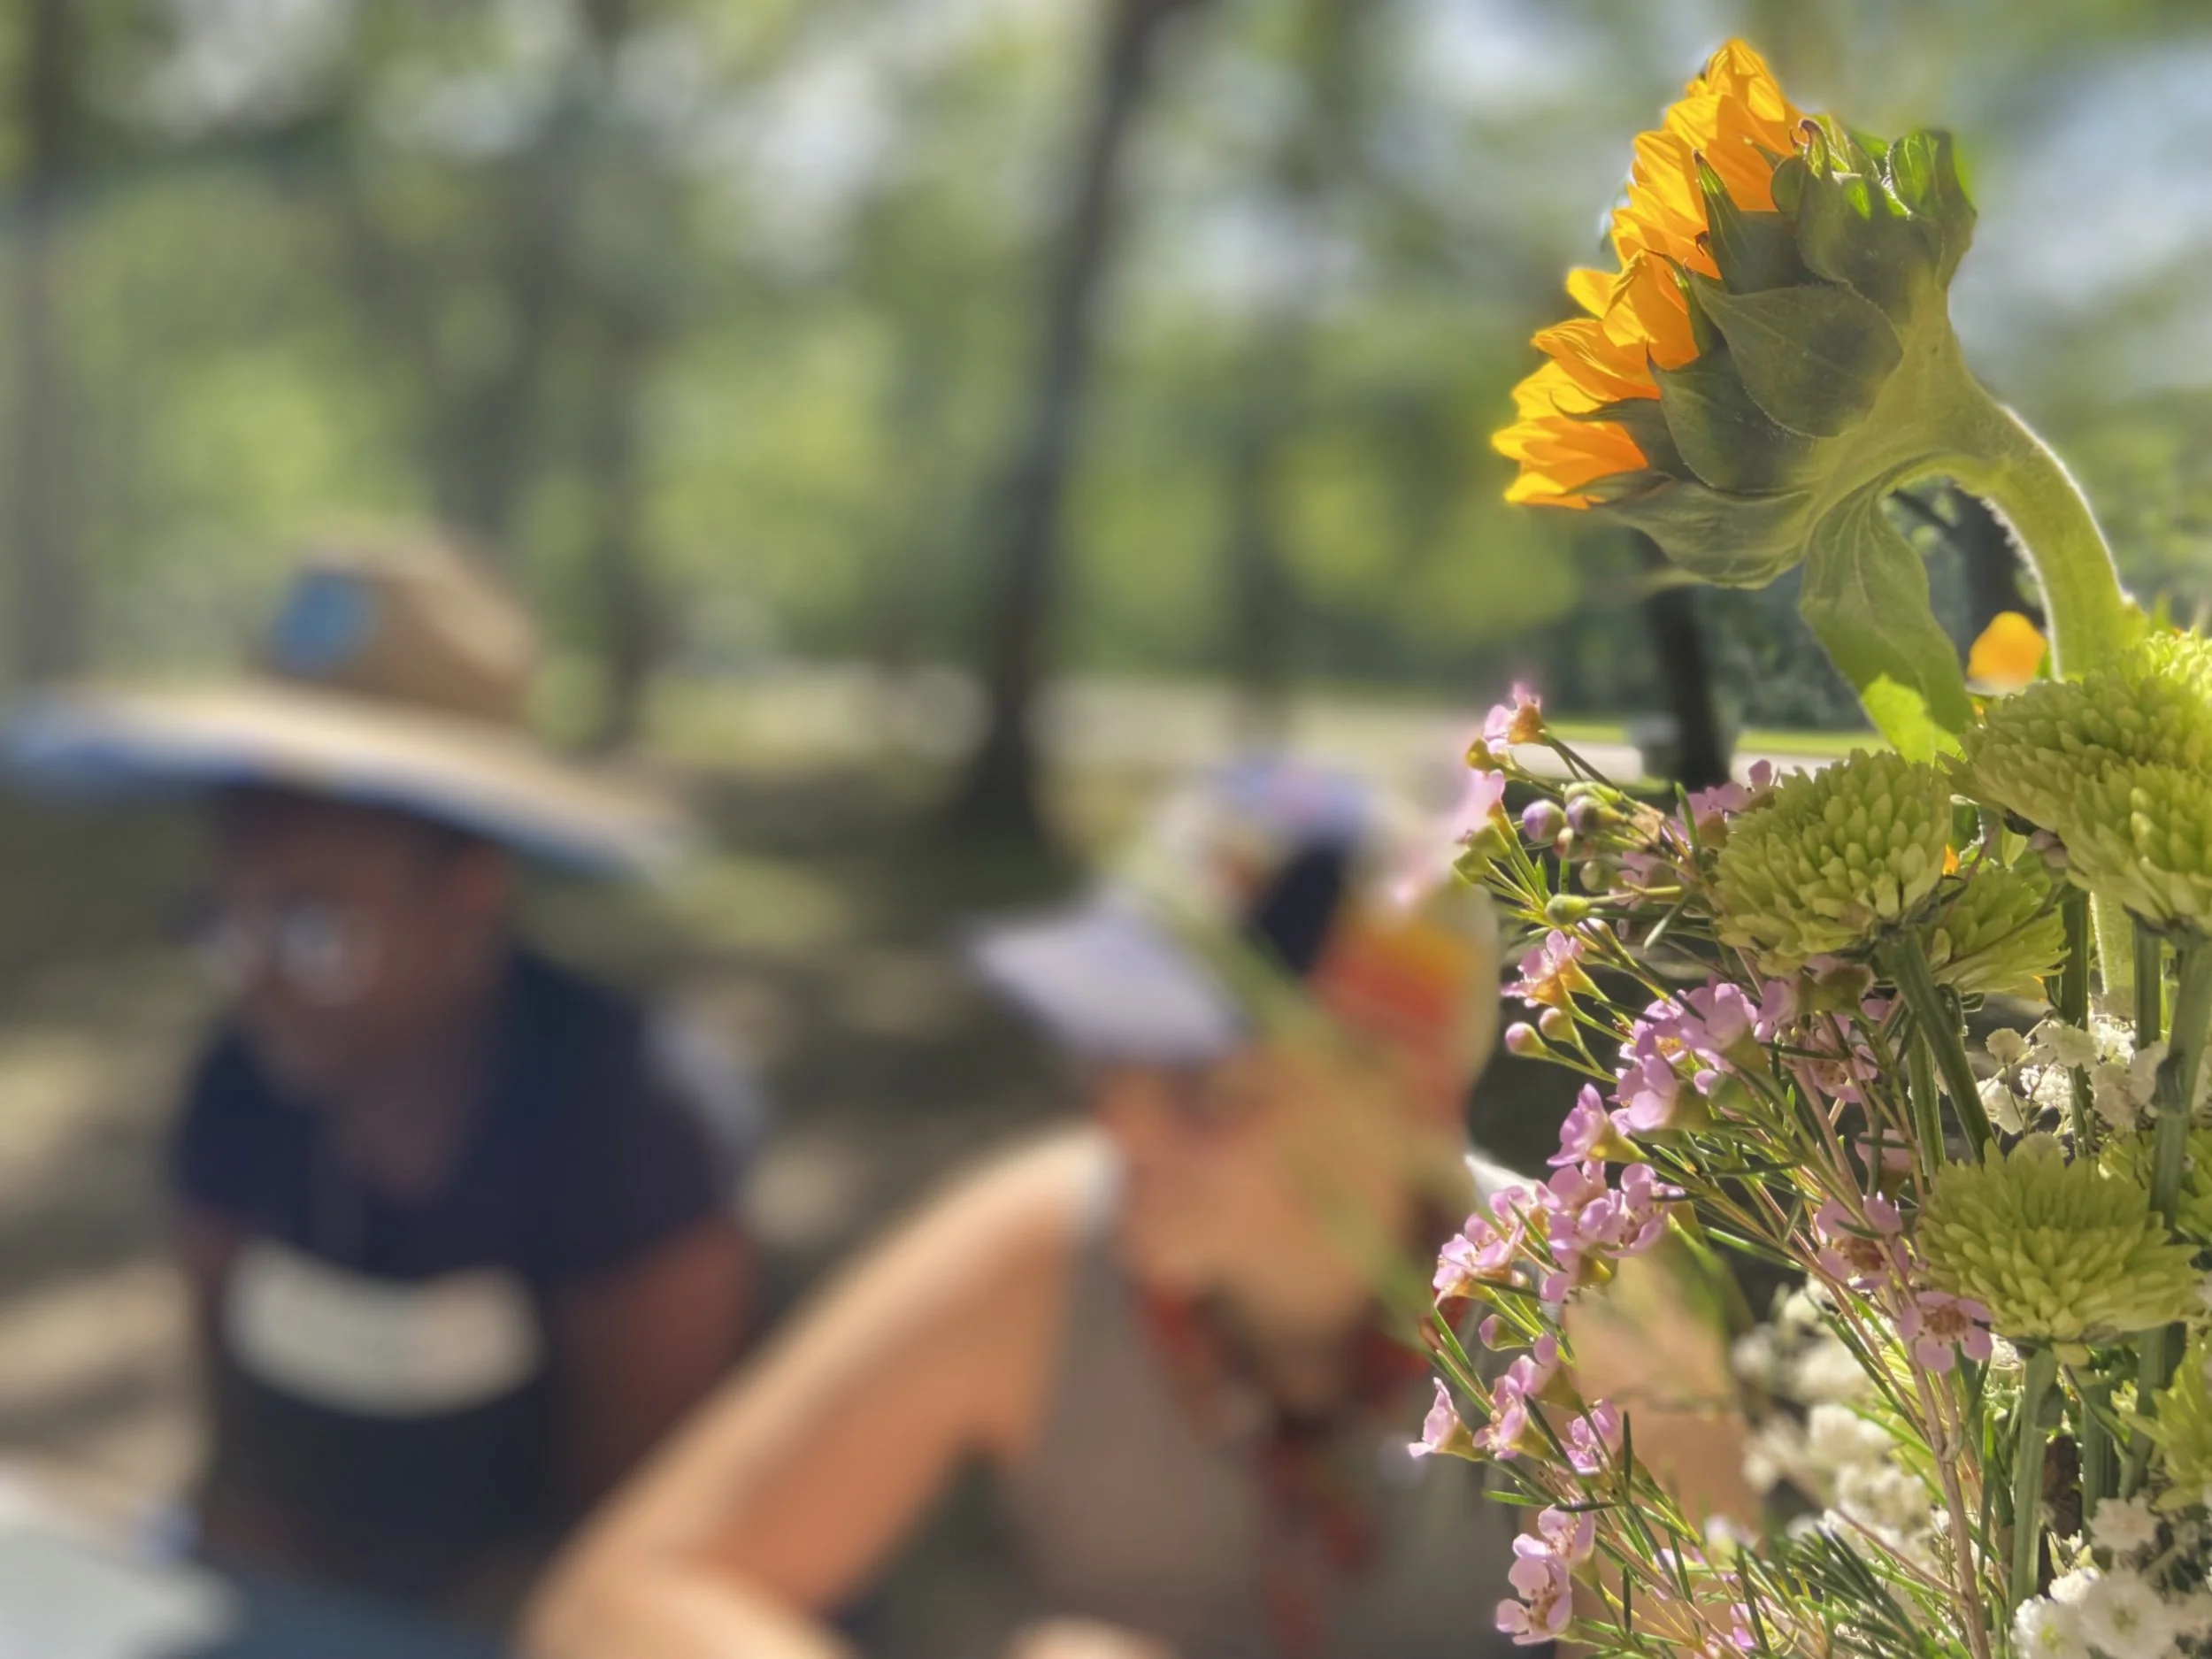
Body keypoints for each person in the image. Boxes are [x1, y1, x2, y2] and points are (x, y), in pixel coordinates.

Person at [525, 759, 1747, 1659]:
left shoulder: (1610, 1319)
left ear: (1410, 1093)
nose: (1122, 1126)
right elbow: (618, 1599)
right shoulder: (1047, 1244)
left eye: (1206, 1086)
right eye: (1110, 1054)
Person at [3, 539, 762, 1624]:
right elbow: (246, 1475)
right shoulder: (237, 1093)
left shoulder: (632, 1118)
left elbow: (639, 1542)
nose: (258, 980)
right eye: (227, 922)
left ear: (469, 895)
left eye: (316, 928)